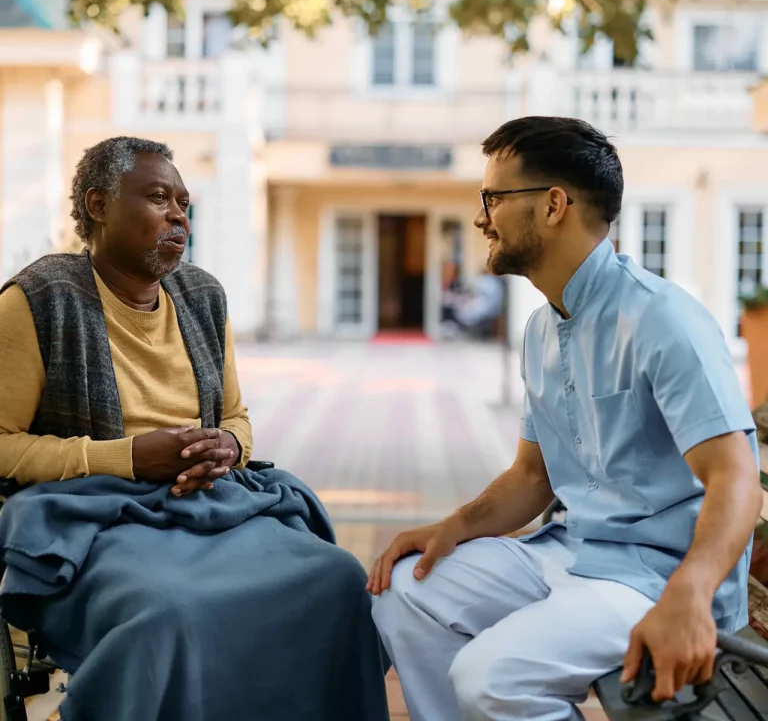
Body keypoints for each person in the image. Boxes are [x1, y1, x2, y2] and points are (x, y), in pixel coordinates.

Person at [368, 117, 762, 721]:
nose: (481, 217)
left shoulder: (661, 319)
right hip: (574, 551)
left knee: (490, 679)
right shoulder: (541, 327)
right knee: (406, 592)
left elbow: (736, 478)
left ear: (554, 205)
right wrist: (455, 524)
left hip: (658, 577)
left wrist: (691, 591)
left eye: (493, 198)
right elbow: (533, 476)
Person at [0, 137, 389, 721]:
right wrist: (129, 458)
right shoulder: (39, 299)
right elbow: (4, 446)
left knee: (337, 580)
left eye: (184, 201)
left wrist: (227, 446)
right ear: (98, 204)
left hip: (210, 503)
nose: (179, 214)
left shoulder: (204, 295)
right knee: (170, 610)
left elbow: (236, 417)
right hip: (95, 517)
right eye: (158, 197)